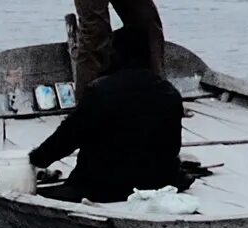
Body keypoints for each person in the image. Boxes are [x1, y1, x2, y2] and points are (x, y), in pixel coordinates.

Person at [27, 36, 183, 203]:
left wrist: (36, 159)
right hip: (159, 183)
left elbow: (67, 137)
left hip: (104, 188)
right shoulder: (170, 92)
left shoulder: (99, 92)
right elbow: (173, 145)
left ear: (114, 57)